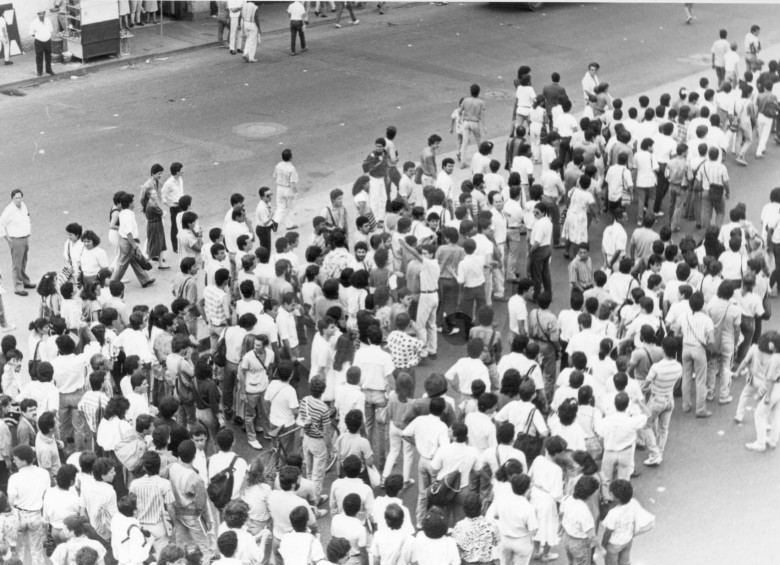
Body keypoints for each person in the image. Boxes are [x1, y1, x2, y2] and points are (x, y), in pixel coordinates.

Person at [168, 440, 212, 563]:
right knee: (203, 548)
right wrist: (207, 520)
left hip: (176, 512)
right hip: (192, 516)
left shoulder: (172, 467)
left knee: (180, 546)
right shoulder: (196, 479)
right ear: (194, 456)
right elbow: (201, 505)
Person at [8, 445, 50, 565]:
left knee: (19, 550)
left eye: (15, 459)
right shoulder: (44, 473)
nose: (14, 461)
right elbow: (46, 495)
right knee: (37, 551)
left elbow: (11, 502)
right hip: (36, 514)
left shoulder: (14, 478)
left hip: (19, 515)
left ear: (24, 461)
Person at [602, 480, 655, 564]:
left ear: (613, 495)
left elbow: (608, 531)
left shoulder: (613, 513)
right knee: (625, 562)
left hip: (614, 544)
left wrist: (603, 544)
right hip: (628, 540)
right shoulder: (633, 502)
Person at [111, 192, 155, 288]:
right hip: (128, 242)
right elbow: (129, 233)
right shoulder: (128, 216)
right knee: (122, 265)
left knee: (133, 260)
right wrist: (135, 246)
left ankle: (145, 279)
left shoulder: (123, 213)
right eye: (133, 201)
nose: (134, 203)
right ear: (130, 203)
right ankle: (112, 283)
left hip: (124, 240)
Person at [0, 189, 35, 296]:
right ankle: (18, 287)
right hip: (16, 239)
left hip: (25, 238)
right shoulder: (9, 210)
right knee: (17, 264)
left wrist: (28, 234)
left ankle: (25, 281)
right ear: (12, 199)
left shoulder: (23, 206)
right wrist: (7, 238)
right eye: (16, 198)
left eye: (20, 197)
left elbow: (27, 219)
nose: (18, 199)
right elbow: (1, 224)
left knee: (23, 261)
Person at [559, 475, 601, 563]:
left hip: (566, 537)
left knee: (571, 561)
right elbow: (592, 536)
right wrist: (601, 549)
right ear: (590, 495)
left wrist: (560, 528)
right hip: (580, 543)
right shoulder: (585, 512)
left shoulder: (566, 498)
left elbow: (561, 514)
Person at [161, 162, 185, 254]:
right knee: (175, 226)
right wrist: (169, 204)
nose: (183, 171)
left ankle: (182, 243)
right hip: (175, 206)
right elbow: (162, 195)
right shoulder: (169, 183)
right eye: (181, 170)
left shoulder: (180, 179)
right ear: (177, 172)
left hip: (182, 204)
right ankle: (175, 247)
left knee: (183, 224)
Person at [29, 11, 54, 76]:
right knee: (39, 57)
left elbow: (51, 30)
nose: (42, 16)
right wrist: (39, 36)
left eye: (43, 14)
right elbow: (31, 33)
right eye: (41, 15)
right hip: (39, 42)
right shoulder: (34, 22)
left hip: (48, 41)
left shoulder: (48, 21)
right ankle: (39, 71)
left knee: (48, 56)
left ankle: (49, 70)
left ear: (44, 14)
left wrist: (46, 36)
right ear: (38, 14)